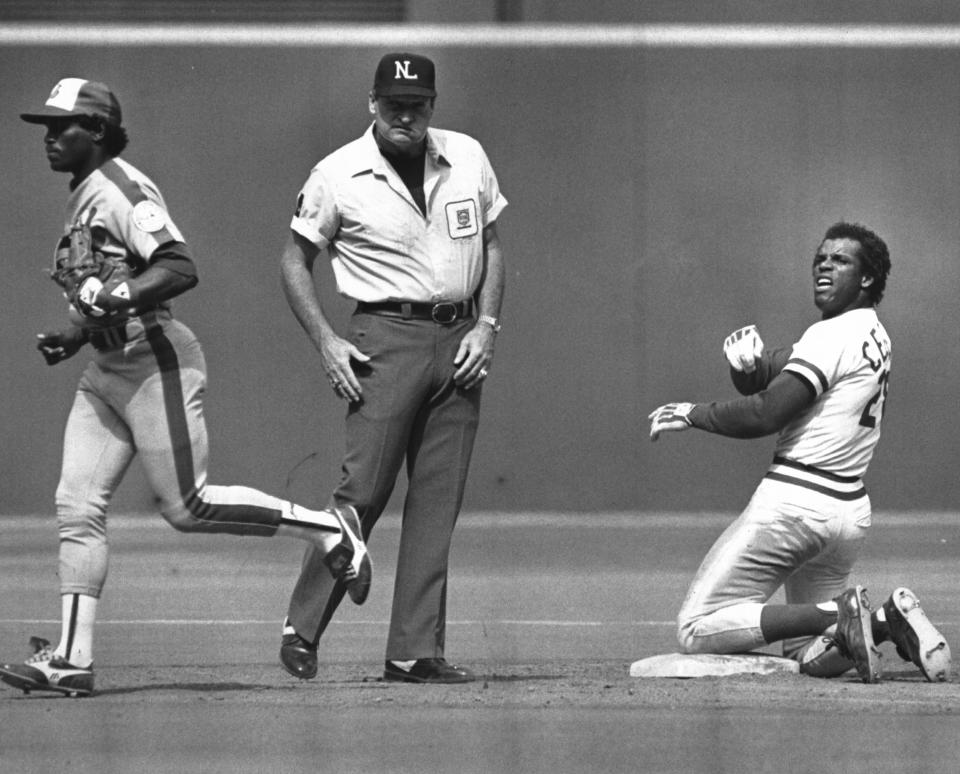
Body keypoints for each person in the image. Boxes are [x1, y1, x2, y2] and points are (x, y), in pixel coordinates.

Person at [0, 78, 371, 698]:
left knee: (186, 507)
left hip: (156, 362)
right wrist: (75, 333)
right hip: (107, 369)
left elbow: (178, 265)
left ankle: (329, 530)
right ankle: (71, 658)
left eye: (59, 126)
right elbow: (107, 284)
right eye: (44, 126)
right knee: (77, 505)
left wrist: (115, 296)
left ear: (95, 130)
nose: (48, 137)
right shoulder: (82, 195)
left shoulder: (122, 188)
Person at [277, 52, 507, 684]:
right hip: (384, 334)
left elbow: (490, 246)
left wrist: (486, 326)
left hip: (459, 336)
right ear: (372, 104)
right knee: (363, 489)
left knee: (438, 501)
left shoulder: (466, 156)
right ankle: (302, 627)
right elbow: (296, 260)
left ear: (432, 105)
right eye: (394, 103)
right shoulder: (338, 173)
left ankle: (414, 650)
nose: (406, 114)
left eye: (418, 104)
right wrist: (326, 340)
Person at [647, 222, 952, 684]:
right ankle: (883, 622)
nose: (824, 265)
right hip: (847, 514)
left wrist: (695, 413)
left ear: (867, 278)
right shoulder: (872, 333)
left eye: (840, 259)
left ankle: (839, 610)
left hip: (794, 507)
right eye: (820, 258)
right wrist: (749, 368)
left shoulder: (831, 336)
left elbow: (767, 413)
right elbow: (781, 368)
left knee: (695, 630)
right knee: (808, 654)